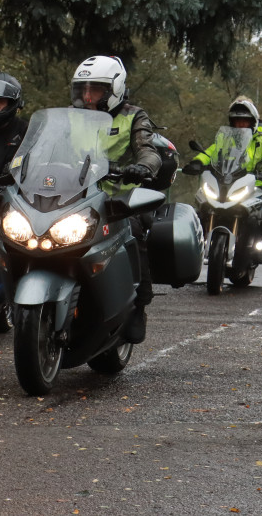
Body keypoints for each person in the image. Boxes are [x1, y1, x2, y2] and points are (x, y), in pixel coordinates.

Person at [71, 55, 161, 344]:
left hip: (116, 198)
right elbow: (48, 145)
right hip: (74, 195)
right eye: (82, 90)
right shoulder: (73, 118)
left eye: (94, 89)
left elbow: (148, 149)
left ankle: (138, 305)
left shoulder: (134, 116)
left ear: (114, 89)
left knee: (135, 229)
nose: (87, 96)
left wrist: (143, 166)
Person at [185, 96, 262, 244]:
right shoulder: (226, 139)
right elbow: (211, 151)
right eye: (237, 121)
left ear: (253, 121)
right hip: (228, 180)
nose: (241, 125)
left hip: (255, 181)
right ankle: (193, 239)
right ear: (232, 122)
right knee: (202, 202)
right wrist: (198, 162)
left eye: (245, 121)